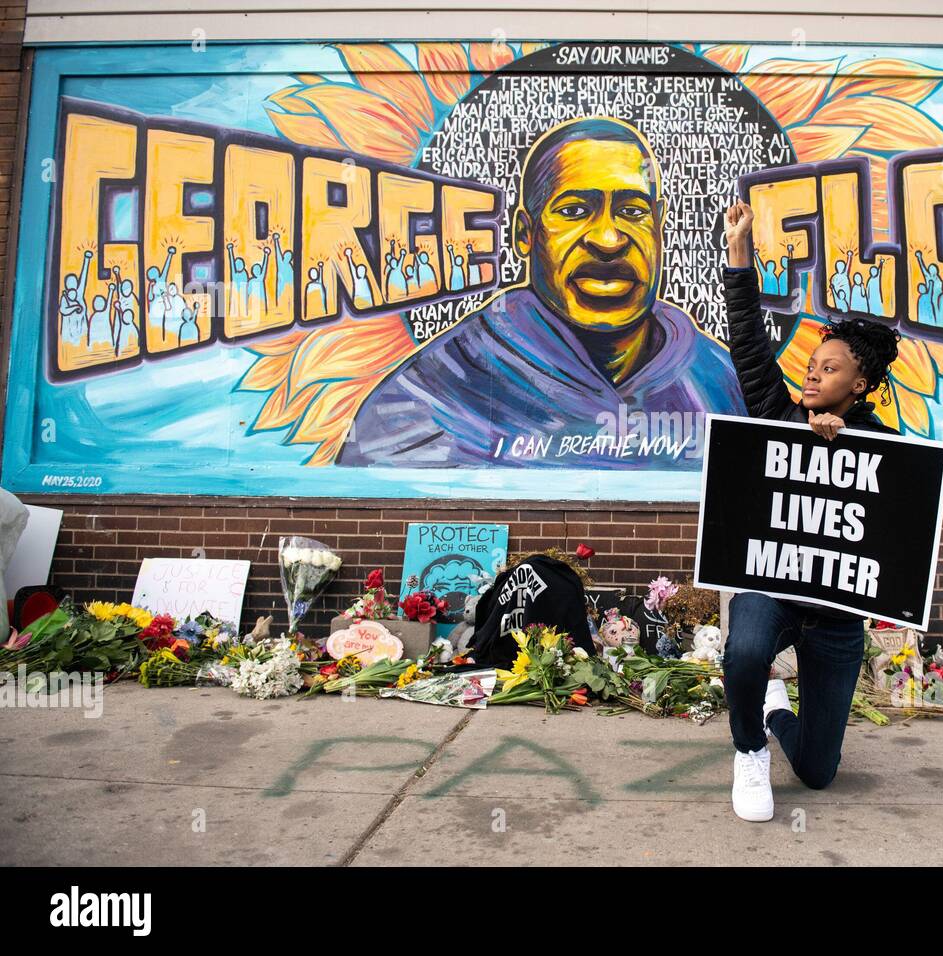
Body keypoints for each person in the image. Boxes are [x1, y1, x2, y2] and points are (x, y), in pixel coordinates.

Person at [337, 116, 745, 469]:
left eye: (632, 211)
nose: (608, 239)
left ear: (658, 225)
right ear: (524, 235)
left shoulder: (719, 384)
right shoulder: (423, 402)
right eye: (573, 211)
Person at [722, 199, 901, 823]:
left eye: (830, 369)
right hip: (770, 586)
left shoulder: (890, 448)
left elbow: (895, 531)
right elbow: (746, 339)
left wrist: (850, 449)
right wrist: (740, 252)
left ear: (859, 386)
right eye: (811, 365)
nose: (812, 375)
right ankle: (749, 751)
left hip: (835, 618)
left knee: (820, 774)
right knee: (744, 651)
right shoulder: (776, 411)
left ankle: (774, 712)